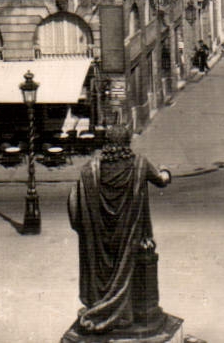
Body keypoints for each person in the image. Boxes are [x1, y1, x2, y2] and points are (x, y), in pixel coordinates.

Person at [66, 128, 174, 337]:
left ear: (107, 143)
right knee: (129, 270)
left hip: (99, 238)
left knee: (105, 270)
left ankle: (103, 309)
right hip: (129, 235)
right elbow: (161, 180)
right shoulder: (139, 164)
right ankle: (124, 315)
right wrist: (166, 171)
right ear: (127, 142)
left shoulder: (91, 169)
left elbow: (75, 202)